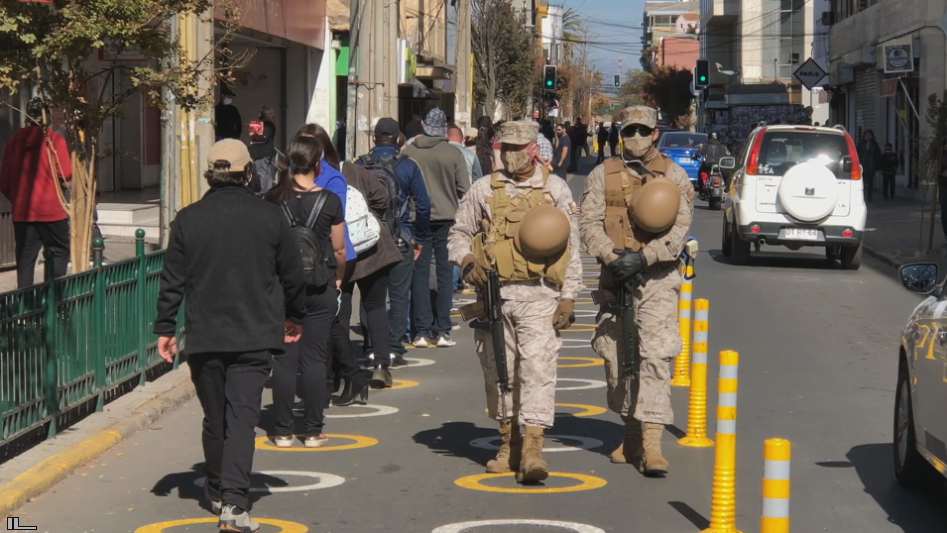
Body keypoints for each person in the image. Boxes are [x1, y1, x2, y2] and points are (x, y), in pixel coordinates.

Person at [154, 139, 307, 532]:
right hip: (255, 333)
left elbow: (172, 280)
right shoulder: (270, 216)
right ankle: (234, 505)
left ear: (211, 173)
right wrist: (295, 317)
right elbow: (293, 274)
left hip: (205, 335)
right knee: (242, 417)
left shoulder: (187, 219)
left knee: (215, 416)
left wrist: (165, 328)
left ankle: (218, 486)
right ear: (248, 172)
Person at [448, 120, 582, 484]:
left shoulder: (554, 190)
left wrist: (569, 297)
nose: (510, 155)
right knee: (499, 373)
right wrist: (467, 260)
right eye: (504, 147)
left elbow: (572, 249)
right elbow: (458, 234)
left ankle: (533, 449)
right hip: (495, 298)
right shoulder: (483, 190)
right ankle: (507, 443)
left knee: (537, 370)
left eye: (518, 148)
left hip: (541, 295)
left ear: (533, 149)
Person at [578, 105, 695, 477]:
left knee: (656, 356)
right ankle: (629, 434)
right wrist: (611, 255)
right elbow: (589, 223)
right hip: (615, 278)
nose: (636, 138)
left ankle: (653, 443)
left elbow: (679, 231)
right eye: (630, 131)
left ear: (655, 132)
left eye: (643, 130)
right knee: (616, 359)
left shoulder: (675, 177)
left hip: (657, 279)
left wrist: (644, 258)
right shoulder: (602, 175)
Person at [265, 136, 347, 449]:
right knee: (315, 358)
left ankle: (283, 430)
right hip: (319, 285)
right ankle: (312, 430)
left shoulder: (272, 199)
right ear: (317, 165)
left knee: (284, 361)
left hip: (283, 289)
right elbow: (338, 248)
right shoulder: (329, 200)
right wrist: (337, 279)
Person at [295, 124, 368, 404]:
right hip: (306, 259)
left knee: (330, 321)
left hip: (332, 257)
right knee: (329, 323)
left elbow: (332, 219)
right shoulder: (293, 174)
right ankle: (341, 379)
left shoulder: (332, 177)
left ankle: (337, 380)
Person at [358, 118, 431, 368]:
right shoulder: (408, 166)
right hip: (400, 238)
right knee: (399, 296)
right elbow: (423, 205)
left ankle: (370, 347)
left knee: (370, 296)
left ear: (374, 138)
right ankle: (394, 348)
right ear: (398, 138)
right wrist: (418, 238)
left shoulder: (360, 165)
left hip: (369, 241)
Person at [403, 105, 471, 347]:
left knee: (418, 274)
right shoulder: (453, 154)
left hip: (415, 219)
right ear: (444, 126)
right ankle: (442, 329)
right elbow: (465, 189)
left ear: (423, 125)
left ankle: (420, 330)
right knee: (445, 275)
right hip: (446, 218)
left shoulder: (410, 151)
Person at [0, 97, 72, 288]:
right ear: (46, 117)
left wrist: (17, 199)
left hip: (23, 213)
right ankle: (54, 301)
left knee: (25, 260)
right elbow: (65, 172)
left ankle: (25, 308)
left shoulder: (13, 141)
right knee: (58, 252)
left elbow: (4, 181)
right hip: (52, 212)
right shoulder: (55, 140)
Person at [249, 106, 278, 195]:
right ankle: (268, 190)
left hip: (262, 152)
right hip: (266, 152)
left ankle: (264, 191)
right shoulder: (270, 125)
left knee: (262, 172)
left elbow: (264, 137)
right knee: (267, 172)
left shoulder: (267, 125)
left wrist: (253, 134)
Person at [857, 130, 881, 203]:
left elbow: (878, 155)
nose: (868, 137)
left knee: (870, 182)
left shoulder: (875, 145)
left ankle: (869, 197)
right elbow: (858, 154)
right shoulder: (861, 144)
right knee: (863, 182)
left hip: (871, 166)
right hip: (862, 165)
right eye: (866, 135)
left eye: (869, 135)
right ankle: (862, 197)